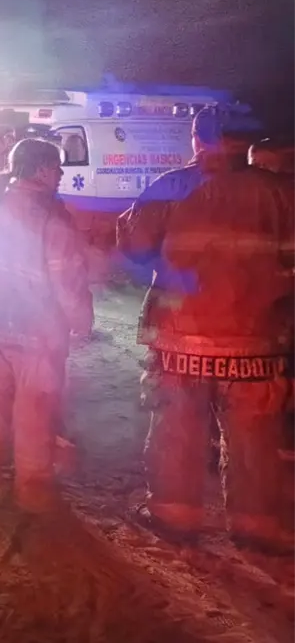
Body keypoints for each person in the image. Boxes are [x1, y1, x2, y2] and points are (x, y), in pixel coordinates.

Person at [117, 107, 295, 552]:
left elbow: (135, 249)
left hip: (181, 336)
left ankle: (173, 515)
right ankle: (257, 526)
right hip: (256, 339)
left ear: (198, 139)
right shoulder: (281, 193)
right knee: (256, 435)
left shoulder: (172, 187)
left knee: (177, 427)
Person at [0, 138, 94, 511]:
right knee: (35, 412)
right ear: (41, 170)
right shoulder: (52, 221)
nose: (61, 173)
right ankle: (33, 489)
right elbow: (67, 283)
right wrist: (81, 321)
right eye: (56, 166)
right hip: (37, 335)